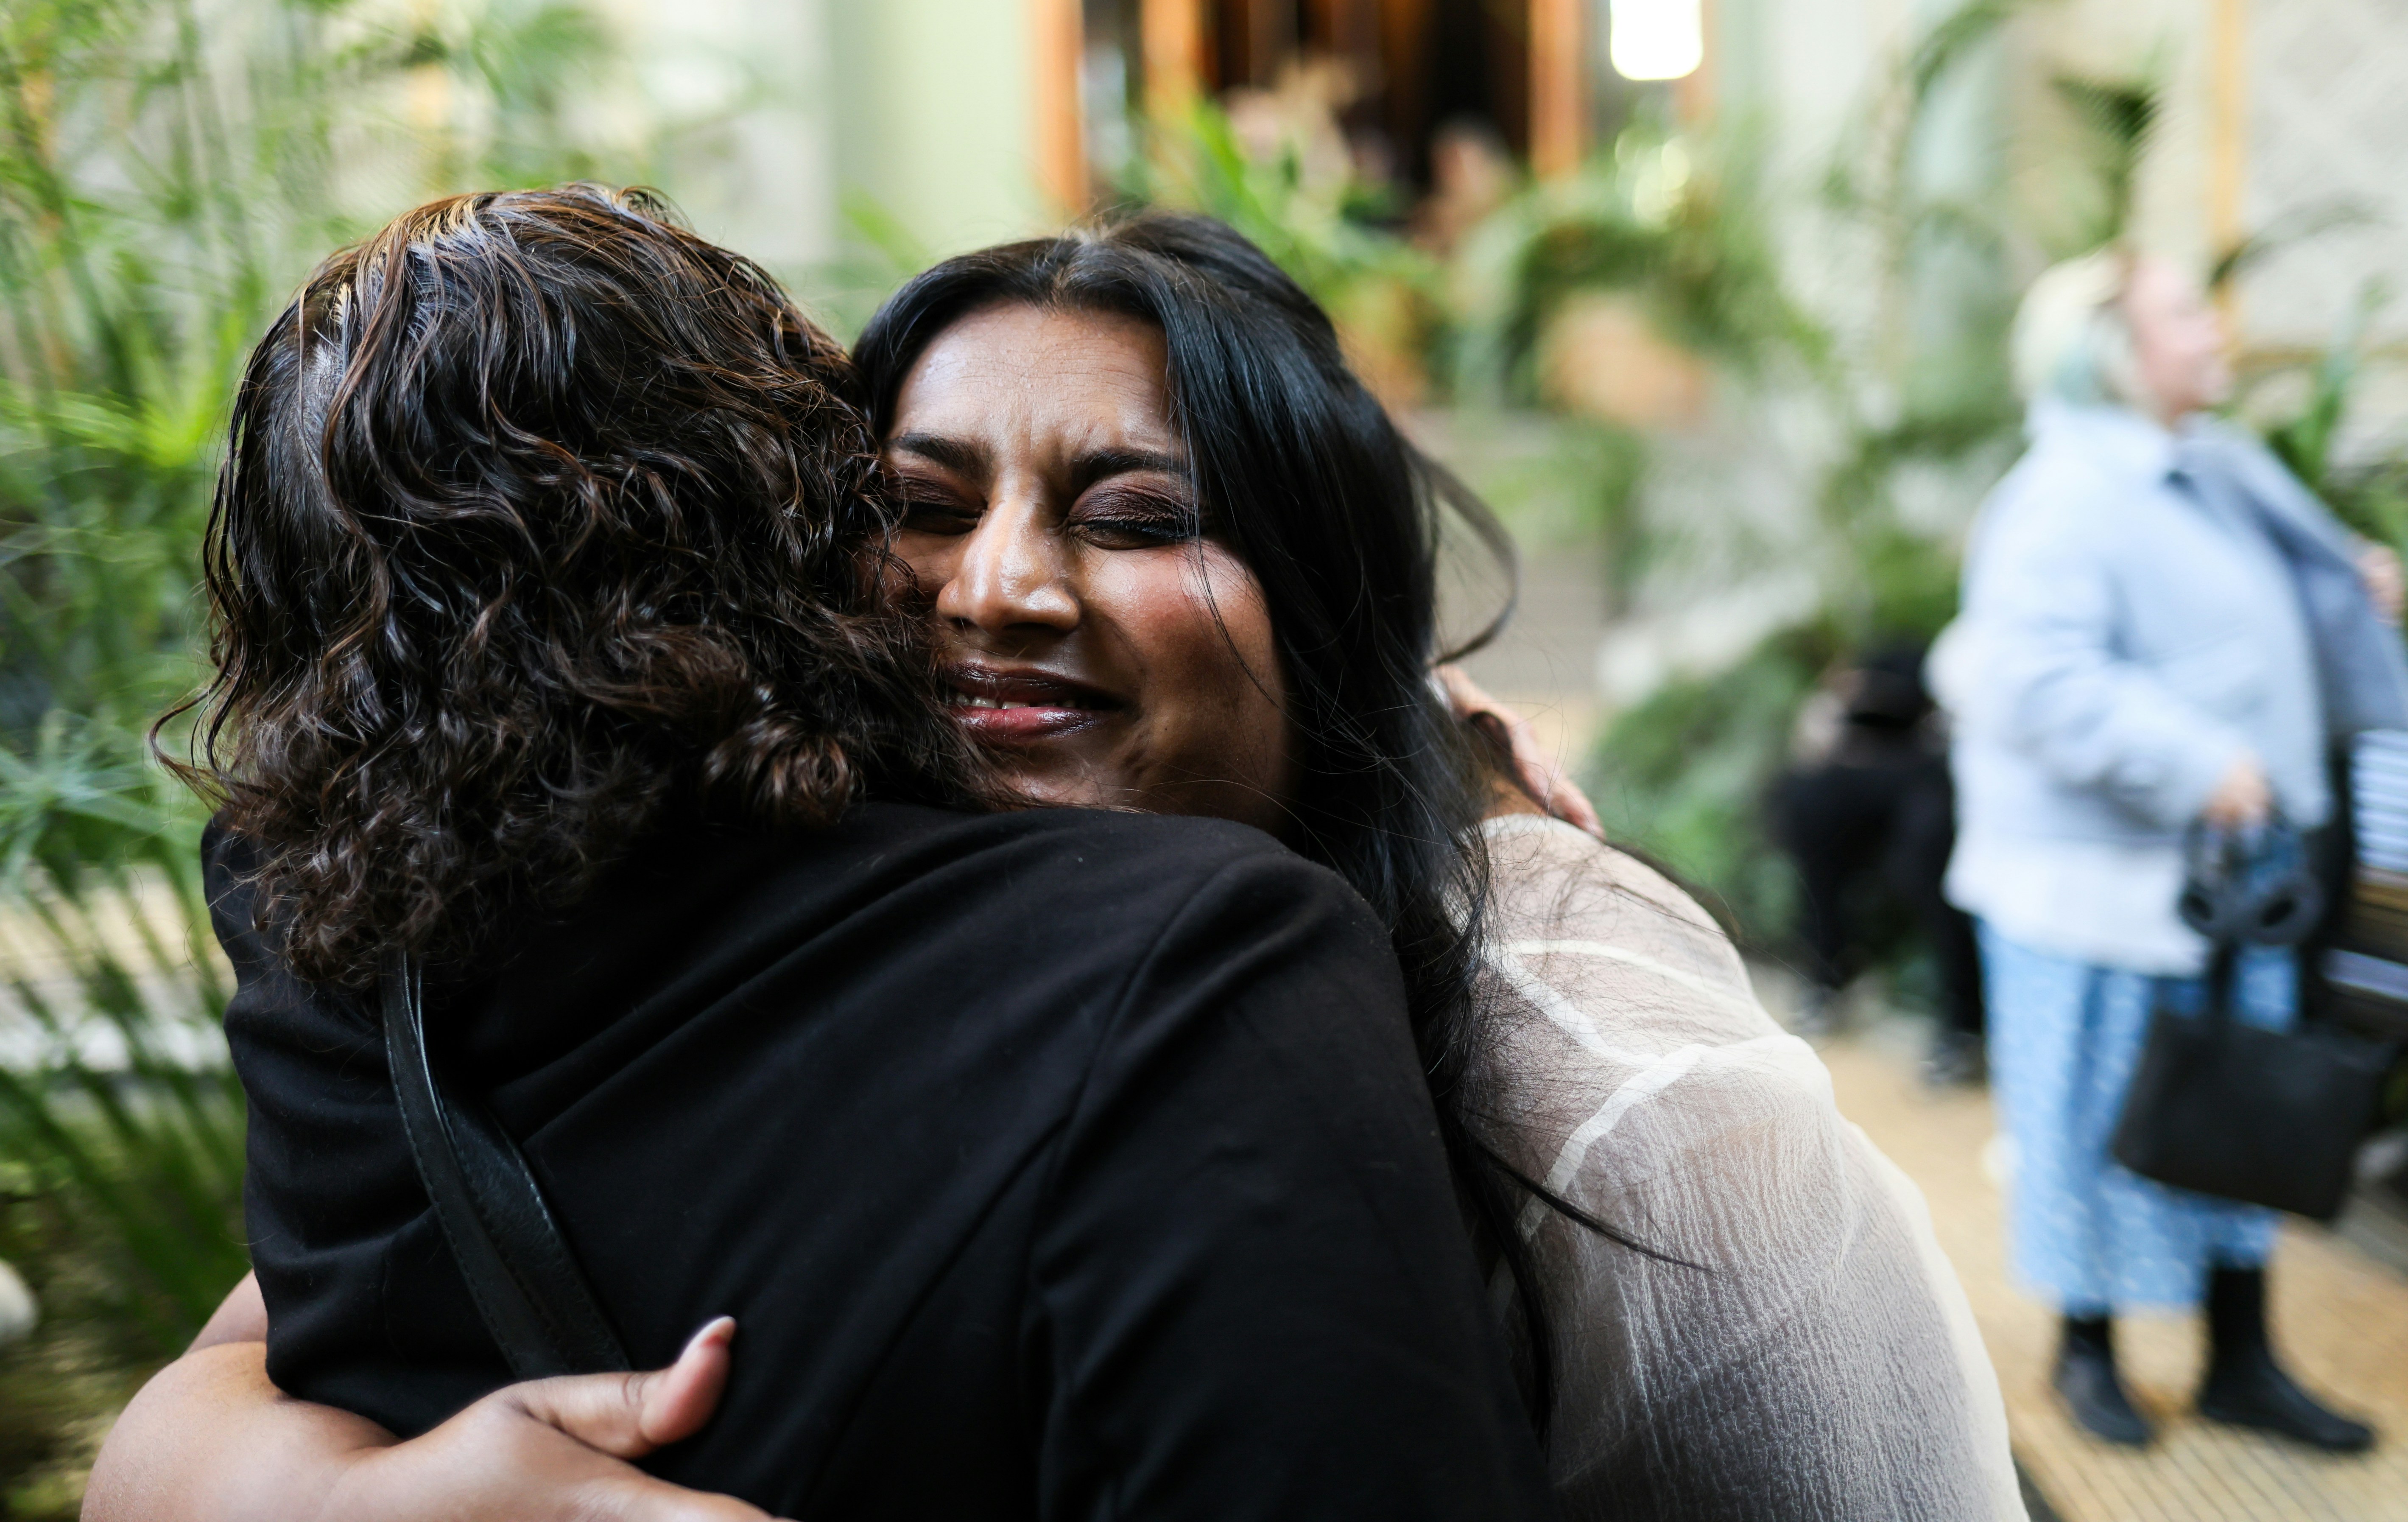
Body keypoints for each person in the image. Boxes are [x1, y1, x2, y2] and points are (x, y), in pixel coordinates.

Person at [93, 211, 2025, 1521]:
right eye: (916, 509)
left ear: (1333, 612)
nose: (999, 589)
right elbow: (227, 1366)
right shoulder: (686, 925)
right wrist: (311, 1491)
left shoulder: (1622, 1079)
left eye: (1134, 514)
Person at [1934, 247, 2406, 1452]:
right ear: (2111, 352)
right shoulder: (2063, 494)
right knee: (2086, 1115)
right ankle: (2082, 1354)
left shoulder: (2209, 464)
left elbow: (2233, 619)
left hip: (2232, 876)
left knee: (2234, 1108)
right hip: (2097, 881)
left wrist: (2340, 591)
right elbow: (2029, 674)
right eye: (2184, 314)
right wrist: (2195, 760)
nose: (2214, 332)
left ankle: (2236, 1358)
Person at [1768, 641, 1987, 1083]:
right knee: (1804, 799)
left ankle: (1964, 1025)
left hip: (1950, 774)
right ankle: (1828, 973)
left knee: (1926, 851)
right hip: (1894, 762)